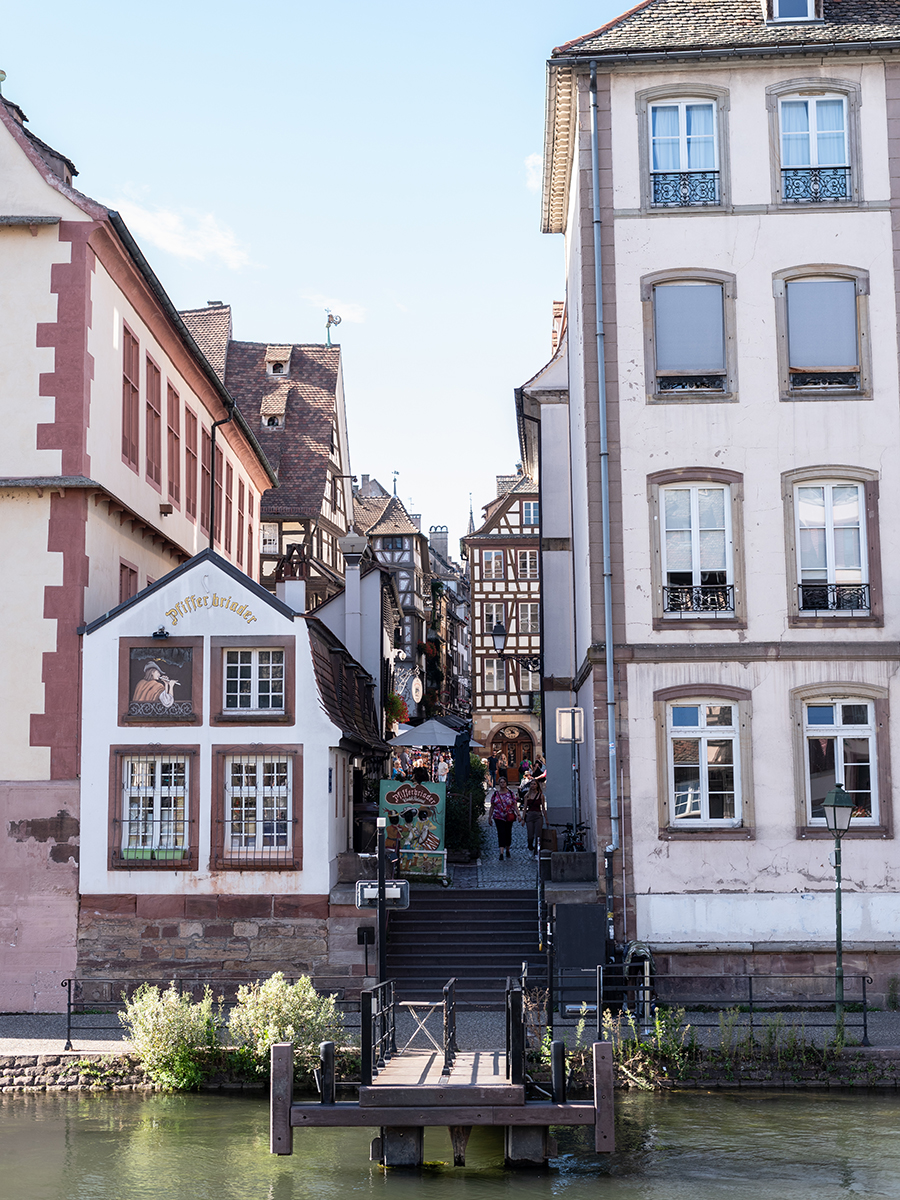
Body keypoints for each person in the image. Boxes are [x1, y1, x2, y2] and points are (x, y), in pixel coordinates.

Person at [487, 777, 519, 860]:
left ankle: (507, 850)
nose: (502, 784)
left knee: (508, 833)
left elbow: (514, 805)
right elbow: (492, 806)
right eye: (501, 782)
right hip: (498, 816)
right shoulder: (495, 794)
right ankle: (501, 852)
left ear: (506, 783)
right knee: (501, 833)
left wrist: (518, 814)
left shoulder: (511, 793)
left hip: (509, 816)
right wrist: (489, 817)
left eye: (504, 782)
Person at [522, 773, 547, 856]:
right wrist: (523, 818)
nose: (533, 786)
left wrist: (546, 819)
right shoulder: (527, 796)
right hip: (530, 815)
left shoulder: (541, 796)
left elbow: (543, 807)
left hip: (538, 815)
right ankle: (530, 845)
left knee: (538, 834)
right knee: (530, 835)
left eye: (534, 784)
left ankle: (536, 850)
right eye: (531, 784)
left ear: (537, 785)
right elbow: (525, 807)